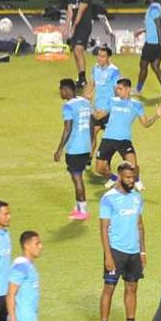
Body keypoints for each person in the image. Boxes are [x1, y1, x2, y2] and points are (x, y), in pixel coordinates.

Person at [98, 162, 146, 321]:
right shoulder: (108, 198)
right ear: (119, 177)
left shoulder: (137, 197)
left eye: (133, 177)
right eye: (127, 177)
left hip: (134, 252)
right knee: (109, 288)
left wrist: (142, 252)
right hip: (116, 251)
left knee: (132, 287)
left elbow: (140, 225)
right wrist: (108, 255)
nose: (131, 180)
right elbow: (103, 228)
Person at [94, 79, 161, 189]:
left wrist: (157, 116)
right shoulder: (112, 101)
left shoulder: (137, 105)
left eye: (120, 89)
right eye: (117, 88)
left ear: (127, 89)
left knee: (133, 166)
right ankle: (114, 178)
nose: (117, 91)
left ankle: (137, 180)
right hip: (108, 138)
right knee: (100, 169)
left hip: (124, 140)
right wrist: (89, 106)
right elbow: (99, 116)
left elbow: (145, 123)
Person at [53, 78, 94, 221]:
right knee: (76, 176)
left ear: (66, 90)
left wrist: (59, 149)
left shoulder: (68, 107)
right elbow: (91, 125)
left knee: (77, 179)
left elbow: (67, 129)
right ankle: (78, 207)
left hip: (74, 148)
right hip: (85, 146)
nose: (60, 93)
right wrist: (91, 145)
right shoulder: (86, 102)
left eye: (61, 90)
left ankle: (83, 211)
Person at [136, 0, 161, 97]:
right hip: (155, 42)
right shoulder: (155, 7)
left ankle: (138, 90)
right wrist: (142, 30)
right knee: (155, 67)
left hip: (152, 43)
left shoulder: (154, 9)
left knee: (143, 65)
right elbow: (153, 26)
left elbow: (159, 26)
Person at [65, 0, 93, 88]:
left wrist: (74, 26)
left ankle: (83, 79)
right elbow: (70, 12)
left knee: (78, 49)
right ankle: (80, 77)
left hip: (84, 25)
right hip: (75, 26)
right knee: (75, 52)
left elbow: (80, 12)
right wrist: (66, 26)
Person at [87, 45, 119, 145]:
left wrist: (111, 109)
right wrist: (86, 100)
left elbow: (117, 91)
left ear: (108, 57)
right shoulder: (95, 68)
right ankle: (88, 155)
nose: (100, 58)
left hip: (108, 110)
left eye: (103, 56)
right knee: (91, 135)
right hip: (96, 109)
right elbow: (91, 85)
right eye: (99, 56)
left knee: (112, 140)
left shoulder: (114, 71)